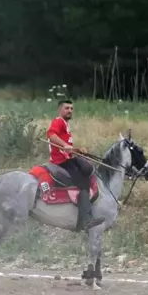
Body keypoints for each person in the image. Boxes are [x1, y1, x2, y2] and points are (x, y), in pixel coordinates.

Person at [46, 99, 104, 231]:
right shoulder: (58, 121)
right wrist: (65, 145)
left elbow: (68, 149)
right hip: (60, 162)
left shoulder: (66, 126)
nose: (70, 111)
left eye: (71, 108)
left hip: (67, 159)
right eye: (66, 108)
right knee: (83, 183)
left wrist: (79, 150)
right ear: (59, 109)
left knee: (88, 168)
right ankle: (86, 221)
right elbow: (51, 135)